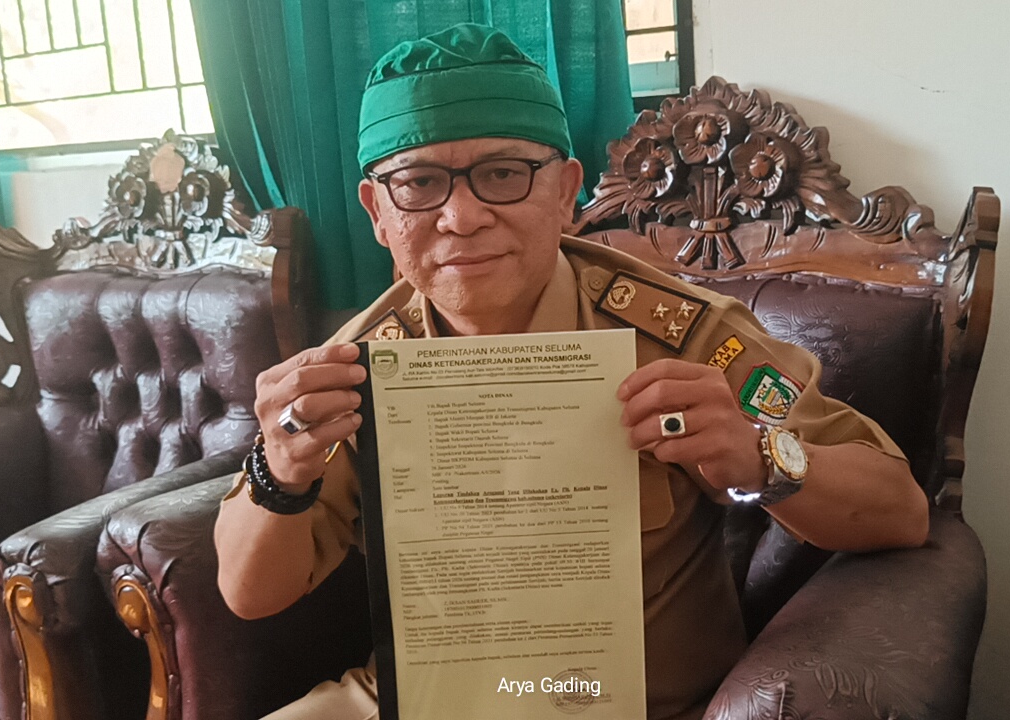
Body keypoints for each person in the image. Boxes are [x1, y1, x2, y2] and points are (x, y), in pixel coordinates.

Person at [214, 23, 928, 720]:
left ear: (564, 191)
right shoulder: (355, 369)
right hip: (422, 701)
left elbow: (901, 511)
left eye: (502, 174)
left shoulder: (682, 337)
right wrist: (280, 472)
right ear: (378, 212)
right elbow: (249, 594)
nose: (461, 217)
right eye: (419, 183)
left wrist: (757, 456)